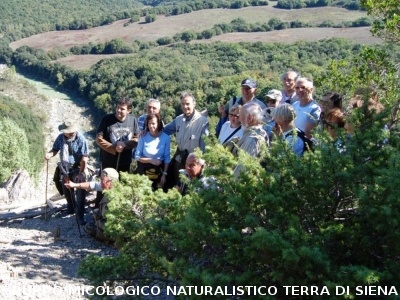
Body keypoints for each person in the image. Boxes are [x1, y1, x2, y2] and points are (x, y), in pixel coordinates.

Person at [45, 119, 89, 225]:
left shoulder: (81, 139)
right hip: (64, 167)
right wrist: (50, 154)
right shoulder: (61, 138)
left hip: (78, 167)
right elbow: (55, 149)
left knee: (80, 188)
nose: (70, 134)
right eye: (68, 132)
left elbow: (84, 158)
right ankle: (71, 207)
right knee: (66, 188)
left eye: (71, 132)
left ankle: (80, 215)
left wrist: (81, 173)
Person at [163, 92, 209, 189]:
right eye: (183, 104)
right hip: (179, 160)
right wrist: (148, 130)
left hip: (193, 163)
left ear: (194, 104)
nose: (185, 106)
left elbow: (204, 147)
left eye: (187, 104)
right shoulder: (178, 120)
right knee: (175, 186)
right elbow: (164, 130)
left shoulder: (202, 122)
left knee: (190, 189)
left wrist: (201, 166)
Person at [65, 168, 119, 242]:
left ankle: (109, 239)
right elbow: (92, 185)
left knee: (88, 227)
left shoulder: (117, 197)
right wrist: (74, 185)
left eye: (102, 180)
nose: (100, 182)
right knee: (95, 213)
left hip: (113, 231)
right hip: (107, 224)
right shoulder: (108, 187)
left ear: (110, 181)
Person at [96, 96, 140, 173]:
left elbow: (137, 139)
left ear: (128, 110)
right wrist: (114, 148)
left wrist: (124, 144)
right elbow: (99, 139)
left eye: (122, 109)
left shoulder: (133, 120)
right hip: (108, 161)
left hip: (125, 162)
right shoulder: (107, 119)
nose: (118, 110)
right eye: (117, 107)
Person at [134, 113, 170, 190]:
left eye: (153, 123)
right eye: (149, 123)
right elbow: (137, 156)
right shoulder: (143, 136)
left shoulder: (165, 138)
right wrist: (151, 160)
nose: (151, 126)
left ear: (158, 123)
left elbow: (167, 158)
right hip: (143, 172)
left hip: (158, 172)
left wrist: (164, 174)